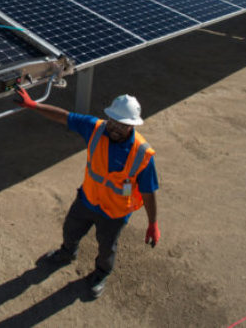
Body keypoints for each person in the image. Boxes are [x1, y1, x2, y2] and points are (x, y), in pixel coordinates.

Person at [15, 87, 160, 299]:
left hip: (115, 213)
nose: (115, 128)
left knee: (106, 248)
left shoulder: (143, 154)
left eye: (123, 124)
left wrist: (153, 223)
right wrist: (33, 105)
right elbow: (64, 117)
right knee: (70, 230)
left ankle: (100, 275)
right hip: (87, 200)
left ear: (132, 126)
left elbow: (149, 192)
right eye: (113, 121)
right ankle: (67, 253)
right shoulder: (95, 129)